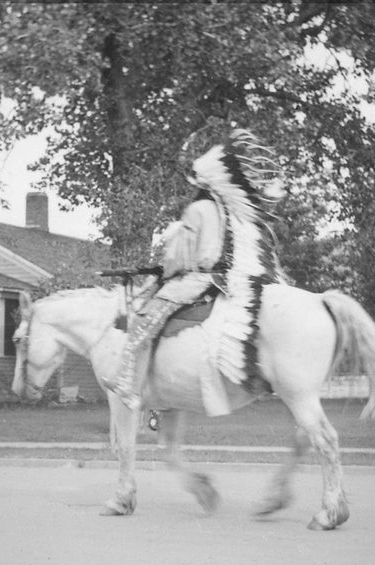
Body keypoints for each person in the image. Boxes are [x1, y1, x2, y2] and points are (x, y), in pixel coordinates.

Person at [107, 127, 285, 410]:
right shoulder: (224, 211)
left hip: (194, 280)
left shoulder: (196, 210)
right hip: (221, 279)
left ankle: (129, 387)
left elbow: (180, 257)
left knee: (143, 322)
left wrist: (164, 271)